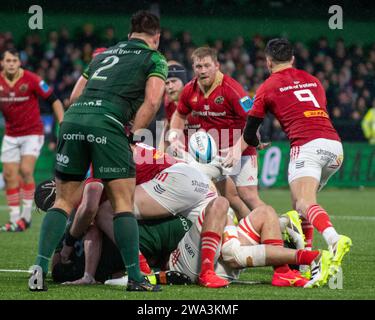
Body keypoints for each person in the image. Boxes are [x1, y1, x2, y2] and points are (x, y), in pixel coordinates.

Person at [28, 10, 168, 292]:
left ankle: (39, 271)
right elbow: (153, 101)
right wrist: (131, 136)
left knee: (64, 202)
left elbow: (74, 96)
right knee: (122, 204)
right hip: (108, 124)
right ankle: (136, 279)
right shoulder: (155, 58)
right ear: (157, 37)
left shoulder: (103, 56)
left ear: (129, 34)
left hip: (74, 119)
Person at [34, 179, 333, 289]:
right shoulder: (97, 223)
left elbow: (91, 225)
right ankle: (302, 252)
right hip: (186, 241)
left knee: (237, 240)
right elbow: (92, 226)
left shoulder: (93, 224)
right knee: (247, 225)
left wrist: (70, 251)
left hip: (185, 245)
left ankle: (295, 256)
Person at [223, 38, 352, 278]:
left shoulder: (268, 86)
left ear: (268, 62)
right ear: (292, 59)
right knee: (302, 206)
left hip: (306, 146)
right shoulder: (314, 81)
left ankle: (334, 239)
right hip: (335, 146)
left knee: (303, 203)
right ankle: (307, 264)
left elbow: (251, 130)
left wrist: (250, 144)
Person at [58, 142, 232, 288]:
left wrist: (69, 242)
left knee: (106, 211)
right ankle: (208, 272)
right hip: (198, 179)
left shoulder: (103, 154)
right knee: (222, 207)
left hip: (175, 179)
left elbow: (90, 208)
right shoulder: (131, 145)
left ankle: (142, 269)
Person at [169, 47, 265, 219]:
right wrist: (174, 136)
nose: (203, 70)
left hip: (240, 149)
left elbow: (254, 120)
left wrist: (238, 148)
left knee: (247, 195)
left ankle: (278, 230)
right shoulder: (189, 90)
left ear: (217, 66)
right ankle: (221, 230)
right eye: (199, 66)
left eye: (207, 65)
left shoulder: (232, 89)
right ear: (193, 67)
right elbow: (179, 114)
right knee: (196, 186)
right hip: (211, 154)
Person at [0, 48, 64, 232]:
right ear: (2, 63)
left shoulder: (32, 79)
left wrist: (62, 123)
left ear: (19, 62)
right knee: (9, 175)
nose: (11, 63)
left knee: (26, 170)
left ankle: (25, 217)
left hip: (32, 133)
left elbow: (55, 100)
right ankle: (14, 220)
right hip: (11, 134)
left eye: (14, 60)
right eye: (8, 61)